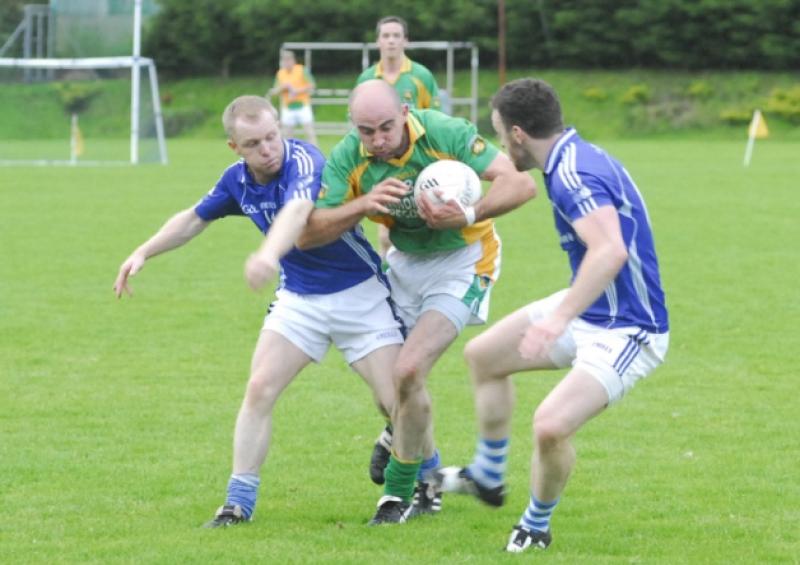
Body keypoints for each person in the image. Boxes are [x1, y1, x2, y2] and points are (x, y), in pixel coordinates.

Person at [113, 95, 403, 527]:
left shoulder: (304, 161)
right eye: (254, 143)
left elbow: (298, 211)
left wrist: (268, 254)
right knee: (260, 388)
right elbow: (194, 218)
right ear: (235, 147)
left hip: (360, 294)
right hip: (300, 299)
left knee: (395, 400)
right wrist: (143, 251)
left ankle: (419, 472)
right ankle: (238, 502)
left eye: (272, 136)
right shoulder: (237, 180)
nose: (268, 148)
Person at [436, 78, 670, 552]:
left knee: (550, 426)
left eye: (500, 132)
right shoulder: (572, 158)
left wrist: (556, 319)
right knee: (484, 356)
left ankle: (536, 526)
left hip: (630, 327)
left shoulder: (573, 174)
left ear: (518, 133)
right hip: (593, 308)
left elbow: (609, 253)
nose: (501, 142)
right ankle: (487, 475)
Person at [297, 79, 537, 524]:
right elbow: (309, 232)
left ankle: (396, 495)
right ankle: (428, 476)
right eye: (366, 131)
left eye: (386, 127)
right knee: (390, 390)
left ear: (405, 110)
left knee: (409, 370)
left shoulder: (445, 132)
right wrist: (361, 205)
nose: (378, 140)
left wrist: (468, 213)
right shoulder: (349, 156)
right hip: (403, 264)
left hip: (464, 261)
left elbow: (520, 185)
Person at [356, 16, 441, 111]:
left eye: (396, 36)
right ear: (377, 41)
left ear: (405, 41)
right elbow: (355, 118)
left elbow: (436, 118)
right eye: (385, 36)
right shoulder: (366, 79)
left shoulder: (423, 75)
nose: (391, 41)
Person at [269, 50, 318, 146]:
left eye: (289, 60)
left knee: (309, 132)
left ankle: (316, 152)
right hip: (288, 107)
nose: (287, 63)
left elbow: (312, 85)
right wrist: (283, 87)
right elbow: (275, 91)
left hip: (302, 105)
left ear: (293, 61)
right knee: (287, 134)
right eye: (284, 61)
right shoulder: (280, 73)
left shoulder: (301, 70)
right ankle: (288, 153)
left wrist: (297, 90)